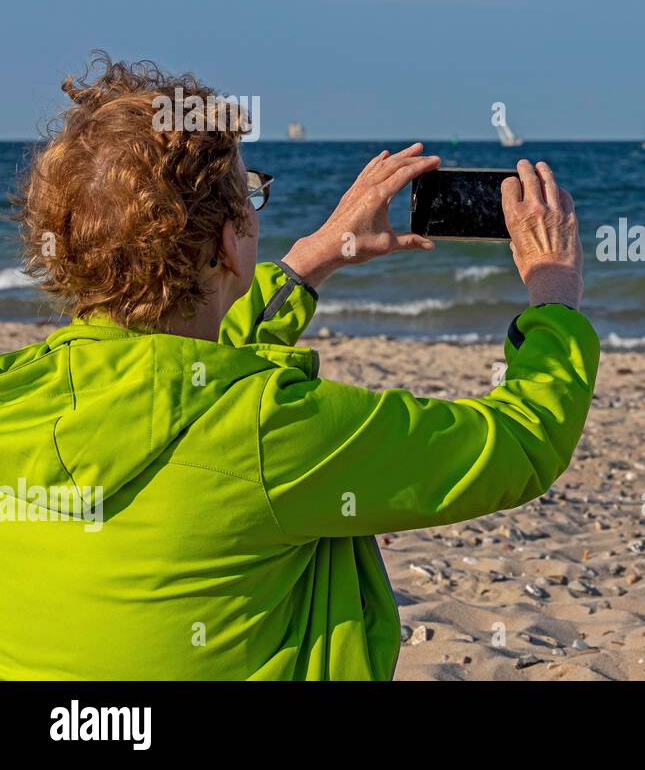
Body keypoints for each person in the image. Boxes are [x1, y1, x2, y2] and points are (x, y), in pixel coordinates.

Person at [0, 55, 598, 679]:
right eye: (250, 190)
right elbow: (519, 444)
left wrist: (311, 260)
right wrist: (554, 295)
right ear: (230, 244)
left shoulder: (14, 396)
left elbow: (182, 368)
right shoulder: (269, 430)